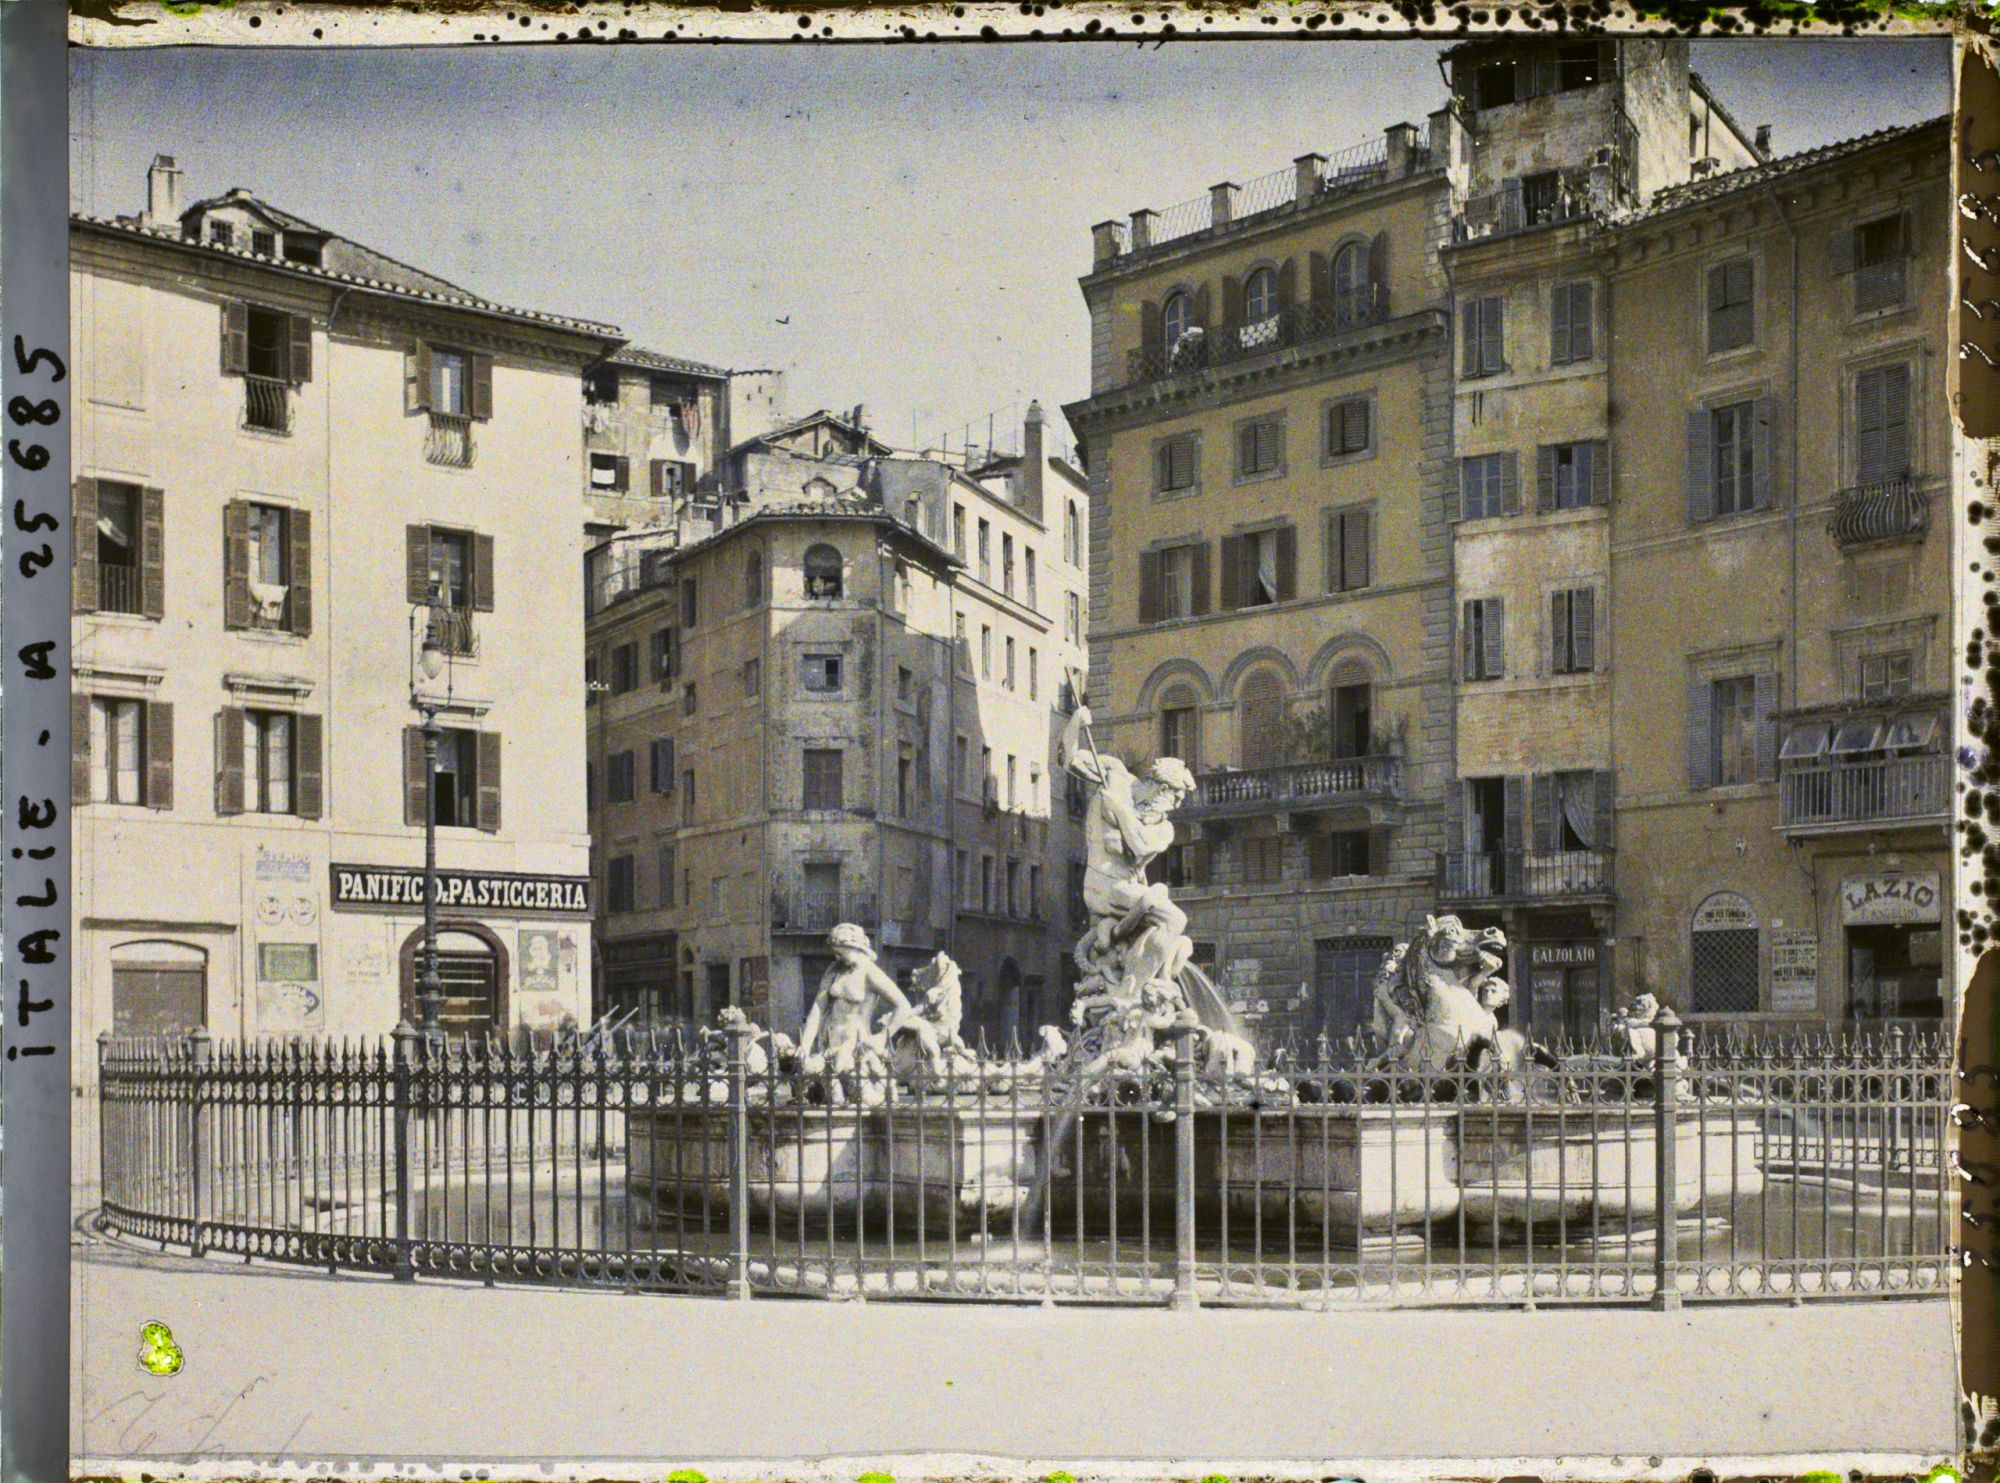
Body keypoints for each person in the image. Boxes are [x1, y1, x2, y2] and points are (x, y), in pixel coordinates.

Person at [1059, 704, 1197, 998]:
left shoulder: (1163, 827)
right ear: (1162, 789)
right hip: (1104, 884)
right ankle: (1130, 993)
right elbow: (1067, 758)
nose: (1175, 807)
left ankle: (1151, 982)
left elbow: (1139, 844)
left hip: (1128, 891)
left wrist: (1119, 810)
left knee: (1177, 934)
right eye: (1175, 798)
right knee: (1174, 919)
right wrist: (1075, 723)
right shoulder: (1115, 774)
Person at [797, 923, 913, 1077]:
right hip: (829, 1040)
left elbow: (903, 1006)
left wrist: (883, 1036)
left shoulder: (870, 972)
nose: (837, 957)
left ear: (854, 947)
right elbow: (818, 1009)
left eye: (841, 952)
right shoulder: (833, 970)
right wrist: (805, 1045)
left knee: (850, 1089)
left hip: (855, 1043)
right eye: (835, 952)